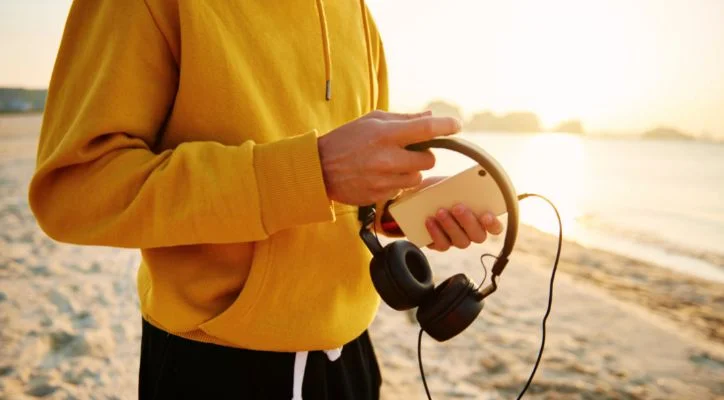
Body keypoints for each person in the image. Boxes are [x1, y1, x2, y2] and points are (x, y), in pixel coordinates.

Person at [29, 1, 502, 399]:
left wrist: (398, 208)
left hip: (352, 356)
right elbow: (76, 191)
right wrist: (313, 172)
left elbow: (341, 193)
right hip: (217, 367)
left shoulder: (355, 11)